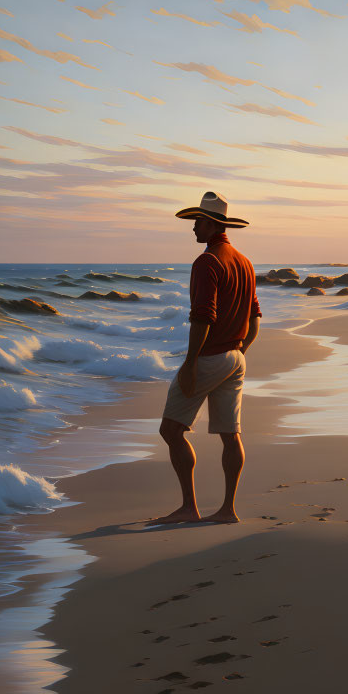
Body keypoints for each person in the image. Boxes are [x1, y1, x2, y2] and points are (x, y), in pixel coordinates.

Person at [149, 192, 260, 525]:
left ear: (212, 224)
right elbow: (254, 318)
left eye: (197, 221)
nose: (193, 227)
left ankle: (188, 507)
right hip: (236, 358)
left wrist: (190, 363)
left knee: (171, 430)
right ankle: (228, 510)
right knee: (230, 434)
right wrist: (239, 352)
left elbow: (203, 318)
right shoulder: (244, 262)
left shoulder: (207, 262)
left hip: (211, 357)